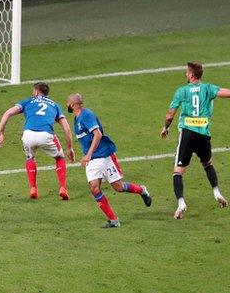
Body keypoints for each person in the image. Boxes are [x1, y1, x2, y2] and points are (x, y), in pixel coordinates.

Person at [66, 93, 152, 228]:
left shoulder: (86, 115)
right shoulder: (76, 120)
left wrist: (88, 154)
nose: (67, 105)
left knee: (118, 187)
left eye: (67, 103)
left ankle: (141, 190)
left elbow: (98, 134)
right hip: (93, 160)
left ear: (72, 104)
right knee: (94, 189)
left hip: (104, 155)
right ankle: (113, 220)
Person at [160, 62, 230, 219]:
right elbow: (225, 93)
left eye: (187, 72)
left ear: (191, 75)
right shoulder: (208, 88)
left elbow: (170, 114)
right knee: (208, 164)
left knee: (178, 172)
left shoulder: (182, 91)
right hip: (204, 134)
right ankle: (217, 193)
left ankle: (181, 204)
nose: (185, 74)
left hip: (187, 134)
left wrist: (165, 127)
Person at [0, 82, 75, 200]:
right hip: (46, 135)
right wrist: (70, 147)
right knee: (60, 157)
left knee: (30, 158)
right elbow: (66, 128)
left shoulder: (27, 101)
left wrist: (1, 132)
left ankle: (33, 188)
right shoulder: (54, 105)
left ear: (36, 92)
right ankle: (63, 187)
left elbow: (7, 113)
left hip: (28, 135)